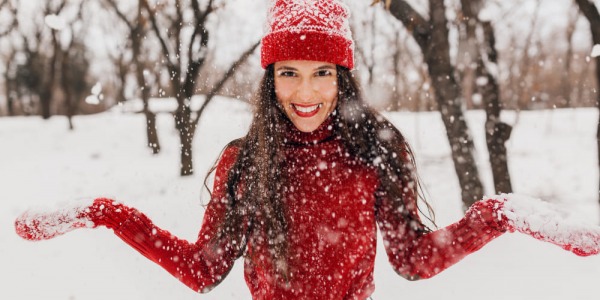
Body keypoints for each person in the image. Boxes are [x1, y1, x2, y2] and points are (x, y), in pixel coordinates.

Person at [14, 1, 600, 299]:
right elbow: (203, 270)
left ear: (343, 75)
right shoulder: (245, 160)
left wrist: (499, 216)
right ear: (269, 77)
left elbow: (413, 259)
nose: (305, 91)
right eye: (288, 72)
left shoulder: (376, 146)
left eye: (322, 72)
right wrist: (106, 213)